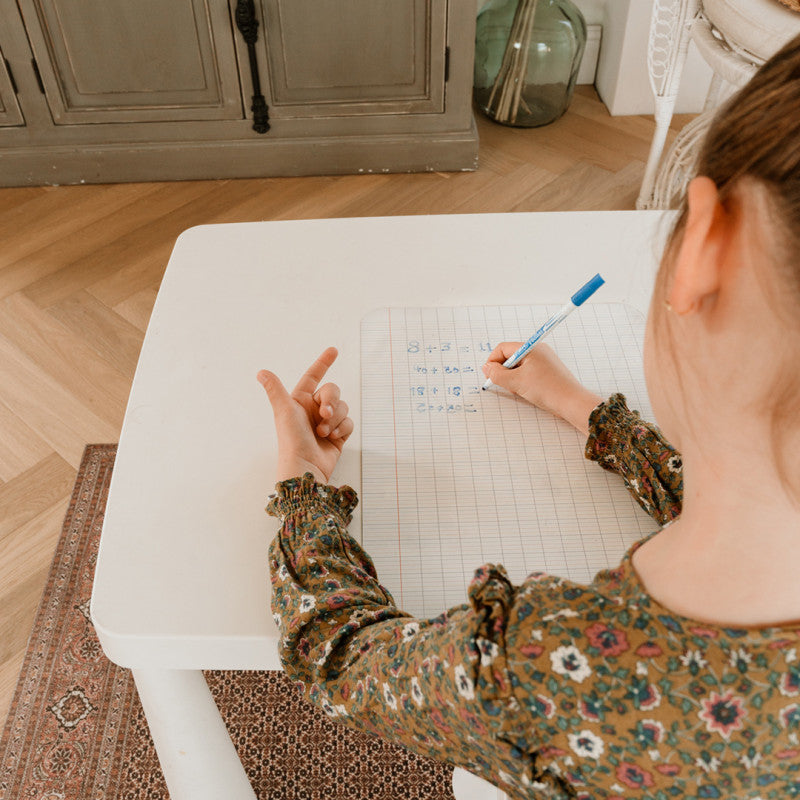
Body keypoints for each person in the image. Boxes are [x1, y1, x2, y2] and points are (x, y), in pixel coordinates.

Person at [256, 35, 800, 800]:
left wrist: (304, 488)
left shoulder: (544, 664)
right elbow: (740, 498)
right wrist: (579, 408)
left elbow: (339, 652)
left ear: (701, 249)